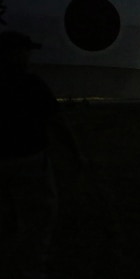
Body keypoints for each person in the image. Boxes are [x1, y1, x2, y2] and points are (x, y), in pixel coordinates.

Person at [0, 31, 85, 278]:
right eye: (24, 51)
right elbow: (57, 122)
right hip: (29, 160)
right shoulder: (31, 85)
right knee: (39, 217)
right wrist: (75, 153)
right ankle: (30, 267)